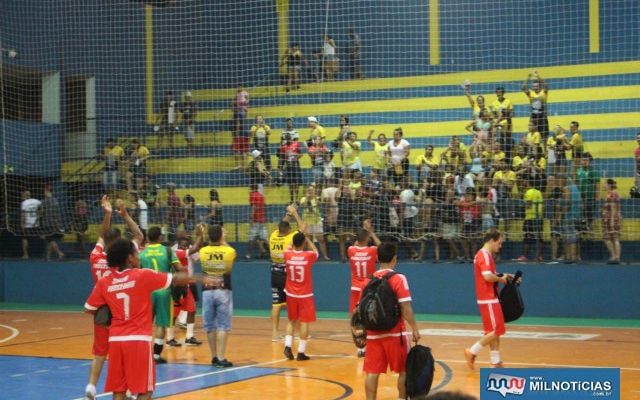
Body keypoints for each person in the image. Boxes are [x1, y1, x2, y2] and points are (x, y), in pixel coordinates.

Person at [84, 238, 200, 400]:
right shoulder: (142, 276)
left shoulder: (104, 282)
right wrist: (204, 279)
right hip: (138, 340)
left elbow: (89, 308)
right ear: (129, 258)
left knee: (119, 390)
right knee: (146, 390)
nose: (139, 256)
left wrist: (111, 309)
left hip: (116, 340)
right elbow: (176, 278)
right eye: (136, 253)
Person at [84, 196, 144, 400]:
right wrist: (125, 215)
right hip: (119, 308)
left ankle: (91, 386)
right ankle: (128, 390)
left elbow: (102, 236)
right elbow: (139, 235)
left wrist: (107, 214)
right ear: (118, 242)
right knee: (123, 351)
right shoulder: (119, 259)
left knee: (100, 352)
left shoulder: (95, 256)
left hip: (101, 310)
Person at [363, 242, 420, 400]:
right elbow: (405, 307)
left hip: (373, 334)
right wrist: (415, 328)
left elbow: (360, 309)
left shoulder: (368, 280)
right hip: (395, 334)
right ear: (395, 259)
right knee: (404, 371)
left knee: (372, 373)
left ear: (377, 258)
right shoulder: (398, 278)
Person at [465, 229, 517, 370]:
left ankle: (495, 362)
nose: (500, 246)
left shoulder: (483, 255)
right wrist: (501, 279)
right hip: (489, 298)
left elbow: (490, 274)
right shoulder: (485, 256)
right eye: (499, 243)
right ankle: (472, 351)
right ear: (491, 240)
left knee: (492, 332)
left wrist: (507, 276)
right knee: (498, 330)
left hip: (488, 298)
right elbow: (488, 277)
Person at [138, 226, 180, 364]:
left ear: (148, 238)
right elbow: (180, 269)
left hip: (147, 292)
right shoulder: (167, 251)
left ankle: (142, 353)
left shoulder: (142, 254)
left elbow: (136, 272)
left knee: (145, 324)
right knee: (161, 324)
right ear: (160, 238)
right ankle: (156, 355)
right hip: (163, 290)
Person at [200, 225, 237, 367]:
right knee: (223, 325)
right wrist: (224, 240)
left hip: (207, 291)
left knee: (209, 325)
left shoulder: (203, 251)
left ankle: (214, 356)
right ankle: (221, 358)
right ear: (221, 236)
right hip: (223, 290)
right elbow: (234, 254)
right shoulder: (229, 251)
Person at [268, 205, 306, 341]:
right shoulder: (289, 239)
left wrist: (288, 214)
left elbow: (283, 224)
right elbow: (302, 228)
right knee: (292, 303)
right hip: (286, 275)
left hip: (274, 273)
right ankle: (295, 333)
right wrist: (295, 213)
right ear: (289, 230)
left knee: (276, 304)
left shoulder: (273, 236)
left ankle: (274, 334)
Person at [283, 231, 319, 361]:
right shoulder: (308, 255)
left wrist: (300, 236)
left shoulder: (287, 254)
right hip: (305, 294)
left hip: (291, 293)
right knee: (304, 322)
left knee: (291, 320)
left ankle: (287, 345)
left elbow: (289, 245)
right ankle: (301, 352)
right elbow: (316, 251)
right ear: (304, 243)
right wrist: (308, 238)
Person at [347, 221, 380, 357]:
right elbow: (382, 248)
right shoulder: (372, 250)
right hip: (369, 289)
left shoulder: (351, 250)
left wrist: (363, 233)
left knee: (355, 319)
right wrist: (371, 232)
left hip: (355, 289)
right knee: (370, 317)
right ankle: (370, 346)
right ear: (367, 239)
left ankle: (360, 349)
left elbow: (356, 243)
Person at [168, 227, 205, 347]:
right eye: (183, 245)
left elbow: (194, 250)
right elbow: (195, 248)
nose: (185, 247)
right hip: (176, 287)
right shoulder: (176, 252)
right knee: (174, 314)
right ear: (178, 244)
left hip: (186, 285)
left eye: (186, 245)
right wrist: (200, 234)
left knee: (192, 310)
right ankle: (170, 338)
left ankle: (189, 337)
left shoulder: (180, 251)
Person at [299, 185, 330, 260]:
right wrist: (307, 198)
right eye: (309, 190)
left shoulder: (317, 199)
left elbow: (319, 205)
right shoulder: (303, 199)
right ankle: (311, 257)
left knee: (321, 239)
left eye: (312, 190)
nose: (310, 192)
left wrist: (315, 199)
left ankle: (325, 256)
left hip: (316, 221)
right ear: (306, 191)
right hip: (306, 222)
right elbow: (303, 205)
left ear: (314, 191)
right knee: (309, 240)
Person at [516, 179, 544, 262]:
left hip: (530, 218)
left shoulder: (528, 192)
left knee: (527, 237)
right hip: (539, 217)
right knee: (539, 237)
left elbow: (528, 205)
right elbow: (542, 206)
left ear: (528, 182)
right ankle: (539, 256)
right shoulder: (539, 192)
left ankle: (524, 256)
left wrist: (523, 205)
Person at [522, 71, 549, 142]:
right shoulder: (531, 93)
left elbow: (546, 85)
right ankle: (534, 148)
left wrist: (538, 76)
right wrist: (527, 78)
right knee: (532, 133)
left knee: (544, 136)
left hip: (542, 116)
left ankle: (545, 150)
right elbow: (523, 88)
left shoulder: (544, 92)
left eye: (537, 86)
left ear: (540, 86)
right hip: (533, 117)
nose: (535, 87)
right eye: (534, 86)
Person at [40, 187, 65, 261]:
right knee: (49, 240)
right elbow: (58, 214)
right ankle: (48, 257)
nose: (44, 192)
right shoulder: (56, 201)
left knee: (50, 240)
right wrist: (59, 224)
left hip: (47, 223)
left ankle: (59, 253)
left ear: (47, 191)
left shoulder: (44, 202)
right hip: (55, 223)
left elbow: (41, 213)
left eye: (44, 191)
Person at [602, 179, 621, 264]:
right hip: (608, 219)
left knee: (611, 238)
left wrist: (612, 221)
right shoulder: (610, 193)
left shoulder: (613, 193)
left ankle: (615, 256)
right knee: (611, 238)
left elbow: (613, 208)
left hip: (611, 220)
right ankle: (615, 256)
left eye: (605, 184)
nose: (604, 185)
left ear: (609, 185)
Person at [247, 184, 269, 260]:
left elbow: (253, 207)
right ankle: (273, 252)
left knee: (251, 238)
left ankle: (248, 254)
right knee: (264, 237)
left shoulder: (252, 195)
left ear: (252, 188)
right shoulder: (261, 195)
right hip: (262, 220)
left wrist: (251, 218)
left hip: (256, 220)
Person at [231, 85, 250, 171]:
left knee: (243, 150)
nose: (238, 88)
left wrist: (244, 104)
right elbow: (232, 106)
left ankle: (244, 165)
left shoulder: (245, 93)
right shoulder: (235, 96)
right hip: (237, 134)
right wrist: (234, 103)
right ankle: (239, 165)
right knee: (236, 150)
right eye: (237, 87)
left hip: (243, 134)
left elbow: (247, 102)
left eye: (240, 86)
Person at [19, 190, 41, 260]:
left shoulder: (24, 203)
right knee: (42, 237)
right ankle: (43, 254)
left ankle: (26, 255)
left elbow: (23, 214)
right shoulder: (36, 201)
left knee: (24, 239)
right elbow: (41, 209)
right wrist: (37, 219)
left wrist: (22, 224)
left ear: (25, 195)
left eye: (23, 195)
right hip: (36, 224)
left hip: (27, 224)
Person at [180, 91, 197, 155]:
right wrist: (183, 120)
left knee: (190, 137)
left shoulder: (193, 104)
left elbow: (195, 113)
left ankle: (190, 150)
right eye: (186, 97)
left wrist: (190, 119)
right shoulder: (183, 105)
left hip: (190, 123)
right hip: (185, 123)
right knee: (186, 137)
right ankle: (189, 148)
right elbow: (182, 114)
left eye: (188, 97)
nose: (187, 98)